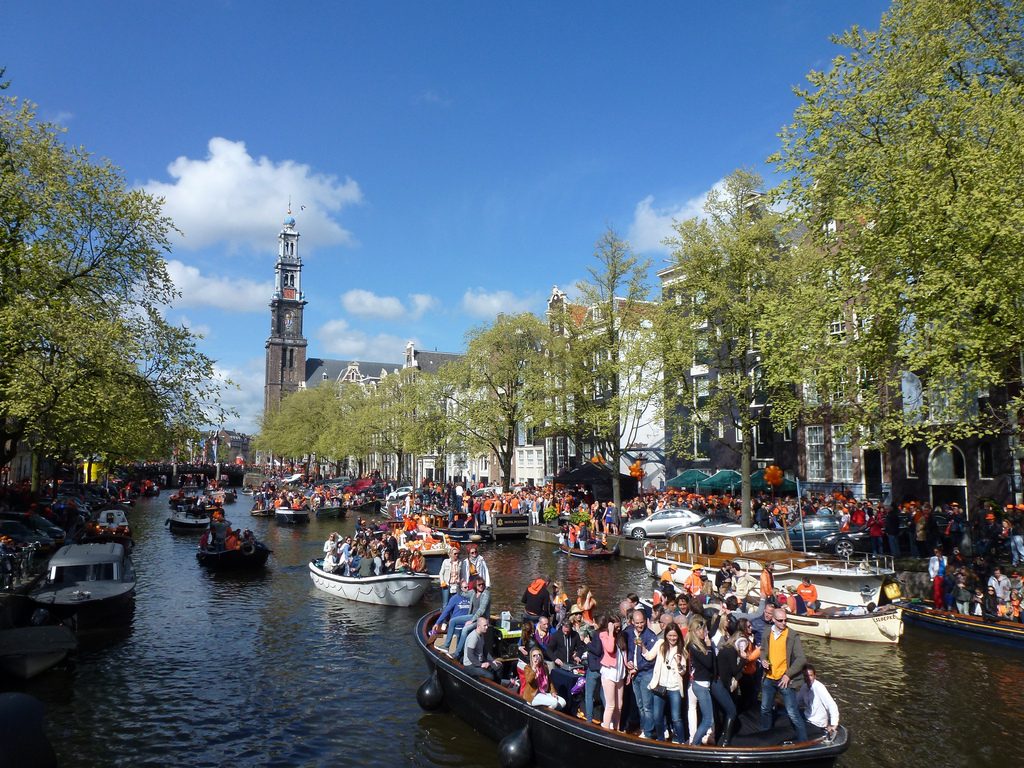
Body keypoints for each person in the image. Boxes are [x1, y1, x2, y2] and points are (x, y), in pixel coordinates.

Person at [759, 608, 809, 742]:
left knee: (792, 712)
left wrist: (788, 675)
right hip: (769, 677)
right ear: (773, 620)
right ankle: (765, 737)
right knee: (765, 708)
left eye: (786, 620)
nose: (783, 623)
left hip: (784, 679)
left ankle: (803, 741)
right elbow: (763, 650)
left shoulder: (792, 635)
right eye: (780, 620)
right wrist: (763, 659)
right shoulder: (767, 632)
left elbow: (801, 659)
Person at [646, 623, 687, 743]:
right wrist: (642, 646)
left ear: (678, 636)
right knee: (657, 716)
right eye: (670, 635)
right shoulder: (660, 645)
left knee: (676, 718)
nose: (672, 638)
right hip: (660, 686)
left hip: (674, 688)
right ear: (666, 635)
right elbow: (649, 656)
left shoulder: (682, 649)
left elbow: (683, 672)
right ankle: (660, 739)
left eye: (674, 636)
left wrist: (679, 663)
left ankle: (681, 741)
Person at [624, 609, 658, 739]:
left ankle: (648, 733)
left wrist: (636, 668)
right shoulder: (628, 633)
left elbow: (652, 660)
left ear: (646, 621)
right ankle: (644, 727)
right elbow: (627, 651)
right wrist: (628, 663)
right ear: (632, 622)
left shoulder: (651, 636)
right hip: (635, 675)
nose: (639, 625)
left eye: (642, 622)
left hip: (646, 674)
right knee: (639, 704)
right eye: (637, 623)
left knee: (647, 705)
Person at [597, 614, 627, 731]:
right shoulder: (604, 635)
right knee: (611, 705)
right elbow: (609, 649)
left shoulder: (621, 636)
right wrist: (610, 632)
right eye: (616, 627)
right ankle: (605, 729)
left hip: (620, 673)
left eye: (619, 627)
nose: (618, 629)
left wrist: (627, 668)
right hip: (609, 673)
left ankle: (617, 729)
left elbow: (624, 653)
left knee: (619, 706)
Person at [796, 664, 839, 739]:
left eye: (810, 675)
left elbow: (832, 705)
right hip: (807, 718)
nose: (808, 678)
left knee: (794, 731)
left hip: (817, 724)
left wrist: (833, 725)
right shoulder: (804, 687)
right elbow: (798, 702)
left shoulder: (819, 688)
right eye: (806, 676)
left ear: (815, 676)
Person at [463, 616, 502, 682]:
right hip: (470, 665)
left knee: (499, 666)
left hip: (479, 661)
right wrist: (480, 664)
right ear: (478, 626)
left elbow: (485, 650)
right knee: (490, 676)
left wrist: (492, 661)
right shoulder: (473, 637)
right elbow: (470, 655)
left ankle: (499, 687)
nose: (487, 627)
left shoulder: (481, 635)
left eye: (487, 625)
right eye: (485, 625)